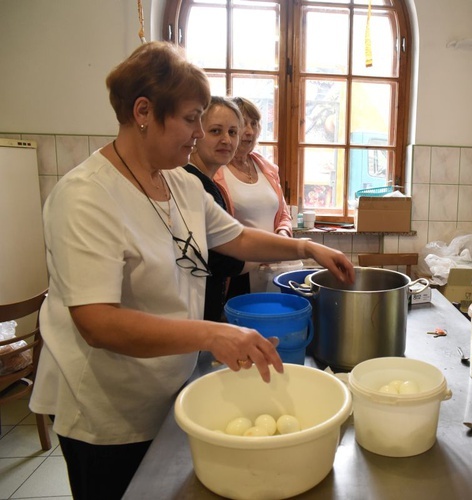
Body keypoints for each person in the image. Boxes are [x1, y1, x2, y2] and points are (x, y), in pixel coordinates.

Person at [29, 41, 354, 500]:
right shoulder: (86, 197)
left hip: (167, 387)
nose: (200, 133)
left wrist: (305, 245)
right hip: (105, 406)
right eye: (190, 118)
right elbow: (96, 323)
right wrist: (211, 334)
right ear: (144, 111)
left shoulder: (179, 181)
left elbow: (236, 237)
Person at [214, 97, 294, 297]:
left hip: (272, 268)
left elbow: (283, 213)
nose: (249, 131)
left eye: (254, 123)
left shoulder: (266, 168)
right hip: (237, 269)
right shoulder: (216, 171)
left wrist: (282, 237)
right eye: (242, 124)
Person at [183, 96, 247, 322]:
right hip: (193, 315)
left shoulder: (207, 182)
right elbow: (225, 259)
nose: (226, 140)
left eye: (232, 132)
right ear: (197, 133)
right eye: (215, 131)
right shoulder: (193, 183)